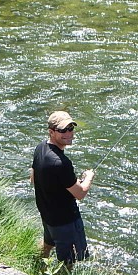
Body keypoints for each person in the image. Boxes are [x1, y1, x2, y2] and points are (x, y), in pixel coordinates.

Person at [30, 110, 95, 264]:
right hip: (64, 220)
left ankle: (37, 266)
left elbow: (33, 178)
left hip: (47, 214)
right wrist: (88, 178)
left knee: (48, 244)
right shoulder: (61, 163)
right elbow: (80, 193)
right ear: (51, 132)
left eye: (71, 128)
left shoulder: (40, 148)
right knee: (68, 261)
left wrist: (61, 185)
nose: (69, 133)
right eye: (63, 130)